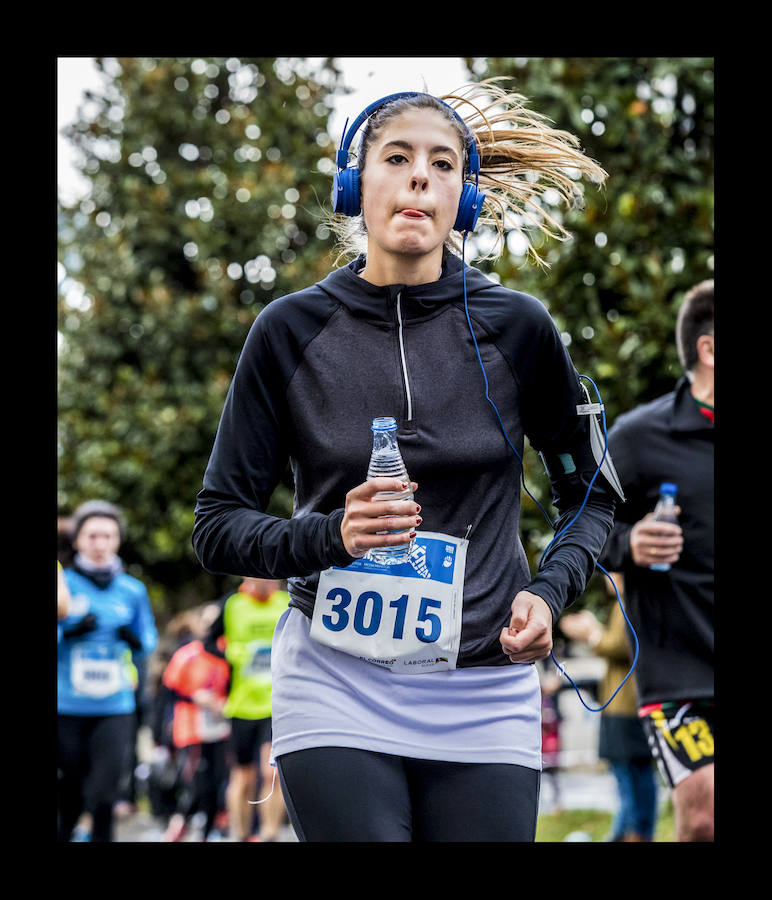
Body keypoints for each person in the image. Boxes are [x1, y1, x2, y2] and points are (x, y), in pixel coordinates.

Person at [193, 81, 622, 842]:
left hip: (485, 686)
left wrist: (550, 595)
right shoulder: (287, 331)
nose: (421, 176)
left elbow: (591, 493)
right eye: (397, 157)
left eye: (443, 163)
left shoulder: (519, 327)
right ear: (356, 186)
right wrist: (331, 536)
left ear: (466, 197)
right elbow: (217, 526)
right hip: (336, 680)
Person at [598, 279, 714, 842]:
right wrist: (629, 545)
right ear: (707, 349)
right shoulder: (641, 437)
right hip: (680, 670)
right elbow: (581, 526)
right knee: (703, 816)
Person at [57, 500, 158, 842]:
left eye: (108, 536)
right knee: (69, 795)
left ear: (118, 540)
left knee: (103, 795)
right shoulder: (64, 584)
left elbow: (148, 640)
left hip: (114, 706)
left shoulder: (132, 590)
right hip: (66, 707)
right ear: (77, 541)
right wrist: (67, 630)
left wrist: (134, 638)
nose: (100, 544)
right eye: (92, 536)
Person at [560, 573, 658, 842]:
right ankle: (633, 832)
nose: (607, 576)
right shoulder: (629, 602)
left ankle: (631, 834)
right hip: (629, 705)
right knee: (634, 775)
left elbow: (619, 646)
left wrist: (589, 631)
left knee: (631, 776)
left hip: (625, 706)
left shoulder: (627, 602)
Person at [204, 577, 290, 842]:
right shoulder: (232, 604)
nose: (271, 580)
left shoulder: (286, 601)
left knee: (272, 772)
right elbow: (207, 642)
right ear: (249, 576)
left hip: (277, 703)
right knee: (243, 776)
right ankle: (240, 834)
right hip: (242, 704)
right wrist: (233, 655)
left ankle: (269, 833)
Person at [160, 604, 231, 842]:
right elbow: (169, 691)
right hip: (192, 729)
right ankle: (179, 822)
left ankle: (206, 832)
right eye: (207, 623)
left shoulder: (227, 652)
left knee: (217, 781)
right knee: (197, 783)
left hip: (219, 728)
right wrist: (195, 698)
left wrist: (224, 702)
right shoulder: (187, 655)